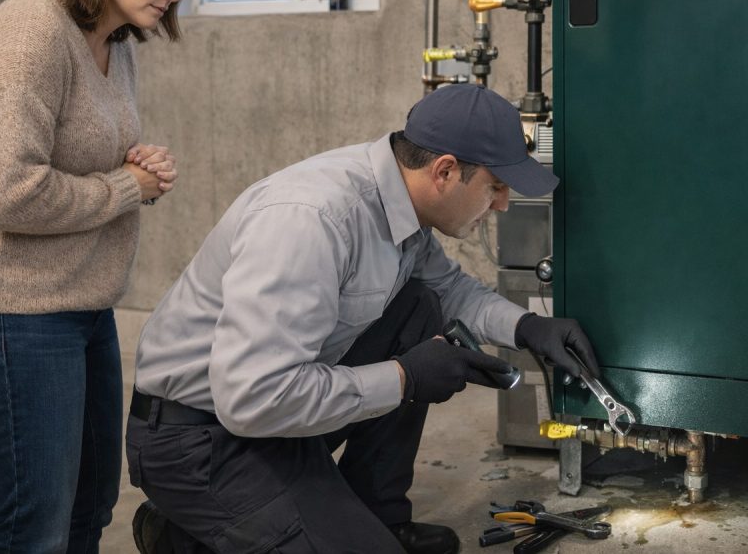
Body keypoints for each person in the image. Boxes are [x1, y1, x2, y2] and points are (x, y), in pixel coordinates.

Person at [128, 83, 601, 554]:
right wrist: (403, 378)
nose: (502, 205)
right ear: (445, 171)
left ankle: (377, 517)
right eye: (495, 187)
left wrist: (528, 328)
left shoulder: (401, 200)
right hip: (201, 439)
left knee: (419, 306)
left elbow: (450, 290)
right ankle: (184, 533)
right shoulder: (312, 220)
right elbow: (253, 398)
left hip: (274, 419)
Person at [0, 0, 205, 553]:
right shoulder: (29, 30)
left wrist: (132, 162)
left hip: (80, 306)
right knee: (33, 527)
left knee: (88, 511)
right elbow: (9, 191)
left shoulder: (117, 41)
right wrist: (125, 185)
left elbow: (81, 149)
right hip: (10, 315)